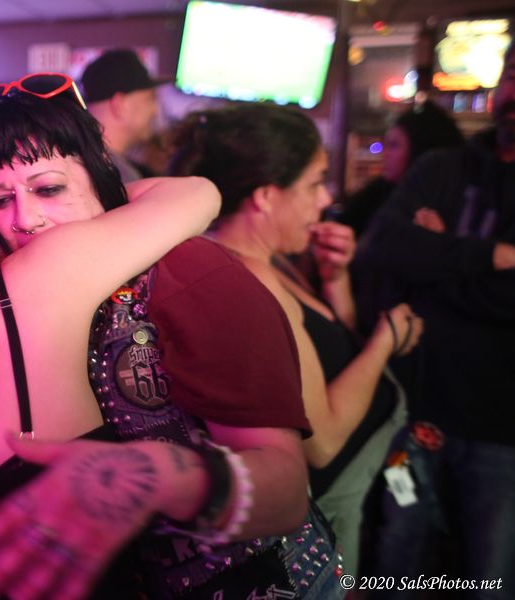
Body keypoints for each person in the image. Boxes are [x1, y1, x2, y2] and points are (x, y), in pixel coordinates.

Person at [0, 75, 335, 599]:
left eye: (49, 188)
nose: (25, 220)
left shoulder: (186, 269)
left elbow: (287, 487)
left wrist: (163, 477)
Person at [170, 104, 424, 571]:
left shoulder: (273, 261)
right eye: (314, 183)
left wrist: (335, 280)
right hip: (331, 514)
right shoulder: (251, 279)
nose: (325, 199)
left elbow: (334, 354)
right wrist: (385, 341)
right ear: (266, 196)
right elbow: (322, 441)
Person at [354, 40, 515, 599]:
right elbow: (383, 245)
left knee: (490, 575)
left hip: (503, 430)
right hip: (415, 414)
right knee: (396, 559)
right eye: (513, 75)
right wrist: (488, 257)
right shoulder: (442, 166)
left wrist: (437, 258)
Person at [341, 101, 464, 238]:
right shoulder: (374, 196)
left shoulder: (457, 208)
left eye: (394, 145)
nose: (385, 154)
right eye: (386, 145)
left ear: (420, 152)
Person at [81, 48, 166, 182]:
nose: (155, 110)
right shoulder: (118, 176)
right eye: (150, 99)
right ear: (120, 105)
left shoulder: (75, 161)